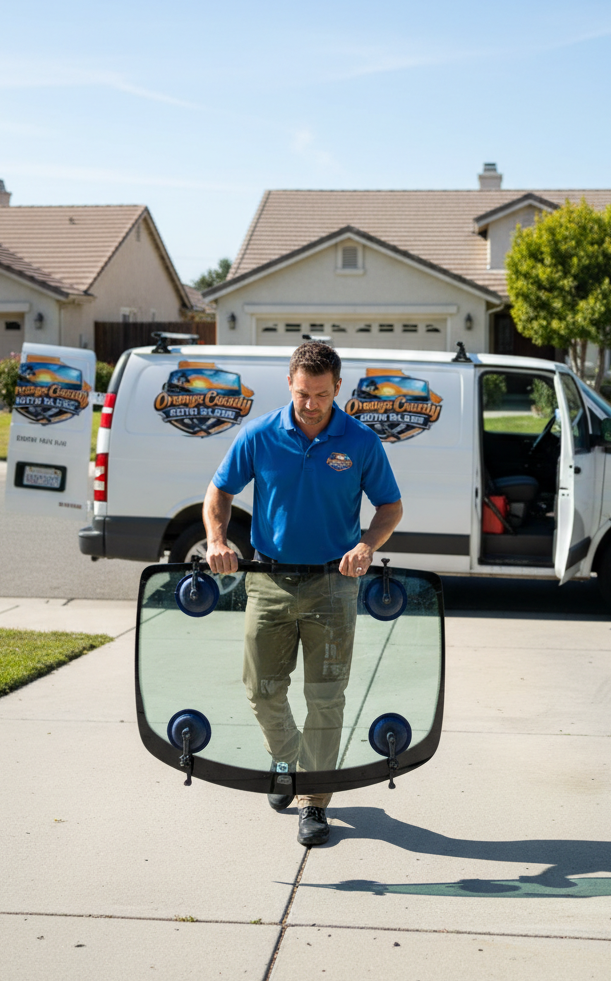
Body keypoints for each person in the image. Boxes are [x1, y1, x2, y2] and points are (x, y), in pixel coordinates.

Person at [204, 340, 403, 847]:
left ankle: (313, 799)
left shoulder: (360, 441)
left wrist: (366, 545)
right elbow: (220, 490)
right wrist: (217, 539)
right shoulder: (260, 435)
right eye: (301, 394)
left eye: (320, 394)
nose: (310, 404)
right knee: (261, 689)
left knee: (326, 698)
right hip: (268, 581)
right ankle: (286, 760)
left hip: (333, 587)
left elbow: (390, 507)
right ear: (289, 385)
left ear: (338, 387)